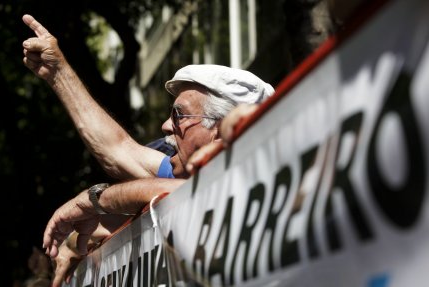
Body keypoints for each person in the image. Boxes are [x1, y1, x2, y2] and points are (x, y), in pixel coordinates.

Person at [22, 14, 274, 286]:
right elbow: (119, 149)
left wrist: (95, 200)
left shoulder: (258, 178)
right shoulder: (182, 172)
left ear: (222, 129)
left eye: (179, 115)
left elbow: (191, 192)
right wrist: (58, 72)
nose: (166, 126)